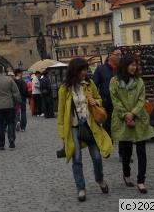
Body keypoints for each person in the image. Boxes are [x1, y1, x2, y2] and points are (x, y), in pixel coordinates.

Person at [57, 58, 112, 202]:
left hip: (89, 124)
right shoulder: (64, 89)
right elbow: (61, 112)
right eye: (83, 69)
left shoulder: (89, 84)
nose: (85, 72)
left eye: (86, 69)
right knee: (77, 159)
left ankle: (100, 179)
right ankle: (81, 188)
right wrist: (62, 133)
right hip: (74, 126)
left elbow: (98, 98)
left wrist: (96, 102)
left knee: (96, 156)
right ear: (75, 71)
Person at [110, 53, 154, 194]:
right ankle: (127, 174)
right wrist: (126, 115)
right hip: (123, 120)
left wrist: (133, 113)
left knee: (141, 151)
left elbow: (142, 100)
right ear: (125, 66)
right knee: (127, 151)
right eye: (132, 65)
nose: (135, 68)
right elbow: (115, 100)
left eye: (136, 65)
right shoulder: (114, 81)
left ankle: (141, 180)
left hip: (139, 119)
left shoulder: (139, 82)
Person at [93, 47, 122, 141]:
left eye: (121, 55)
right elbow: (94, 86)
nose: (120, 57)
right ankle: (108, 144)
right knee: (107, 124)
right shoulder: (101, 69)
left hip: (121, 101)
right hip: (107, 101)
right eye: (117, 55)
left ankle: (123, 151)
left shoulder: (122, 69)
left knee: (122, 124)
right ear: (110, 56)